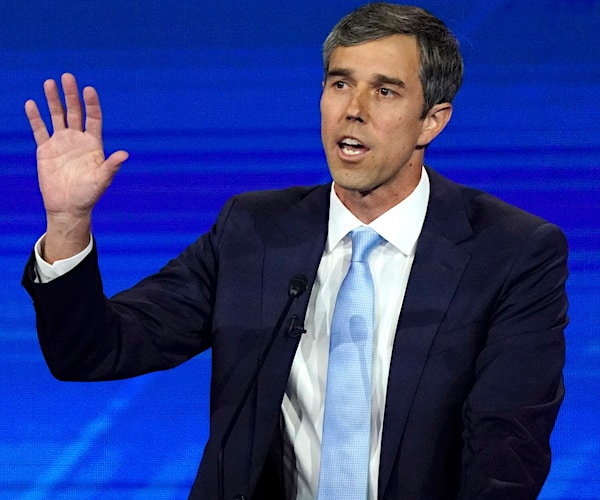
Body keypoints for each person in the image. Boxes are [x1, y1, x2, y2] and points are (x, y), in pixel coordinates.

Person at [22, 3, 568, 499]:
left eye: (384, 91)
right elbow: (93, 351)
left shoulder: (512, 252)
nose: (352, 110)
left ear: (433, 120)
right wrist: (68, 222)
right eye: (339, 84)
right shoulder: (254, 231)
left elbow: (506, 452)